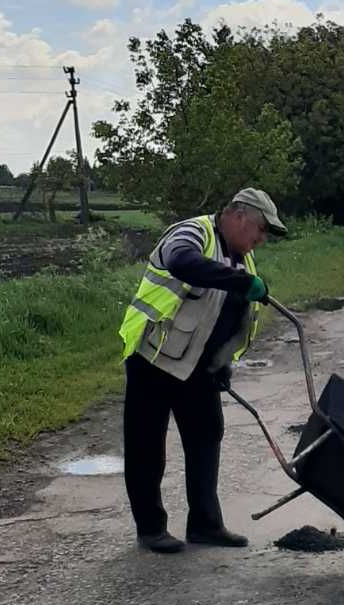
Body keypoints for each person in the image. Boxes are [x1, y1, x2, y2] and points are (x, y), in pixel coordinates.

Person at [118, 188, 286, 554]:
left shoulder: (245, 259)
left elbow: (232, 322)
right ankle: (150, 529)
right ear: (239, 216)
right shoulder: (193, 233)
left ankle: (206, 526)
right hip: (154, 358)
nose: (261, 239)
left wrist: (223, 363)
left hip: (199, 370)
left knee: (206, 439)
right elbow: (182, 263)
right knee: (147, 446)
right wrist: (240, 282)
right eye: (260, 229)